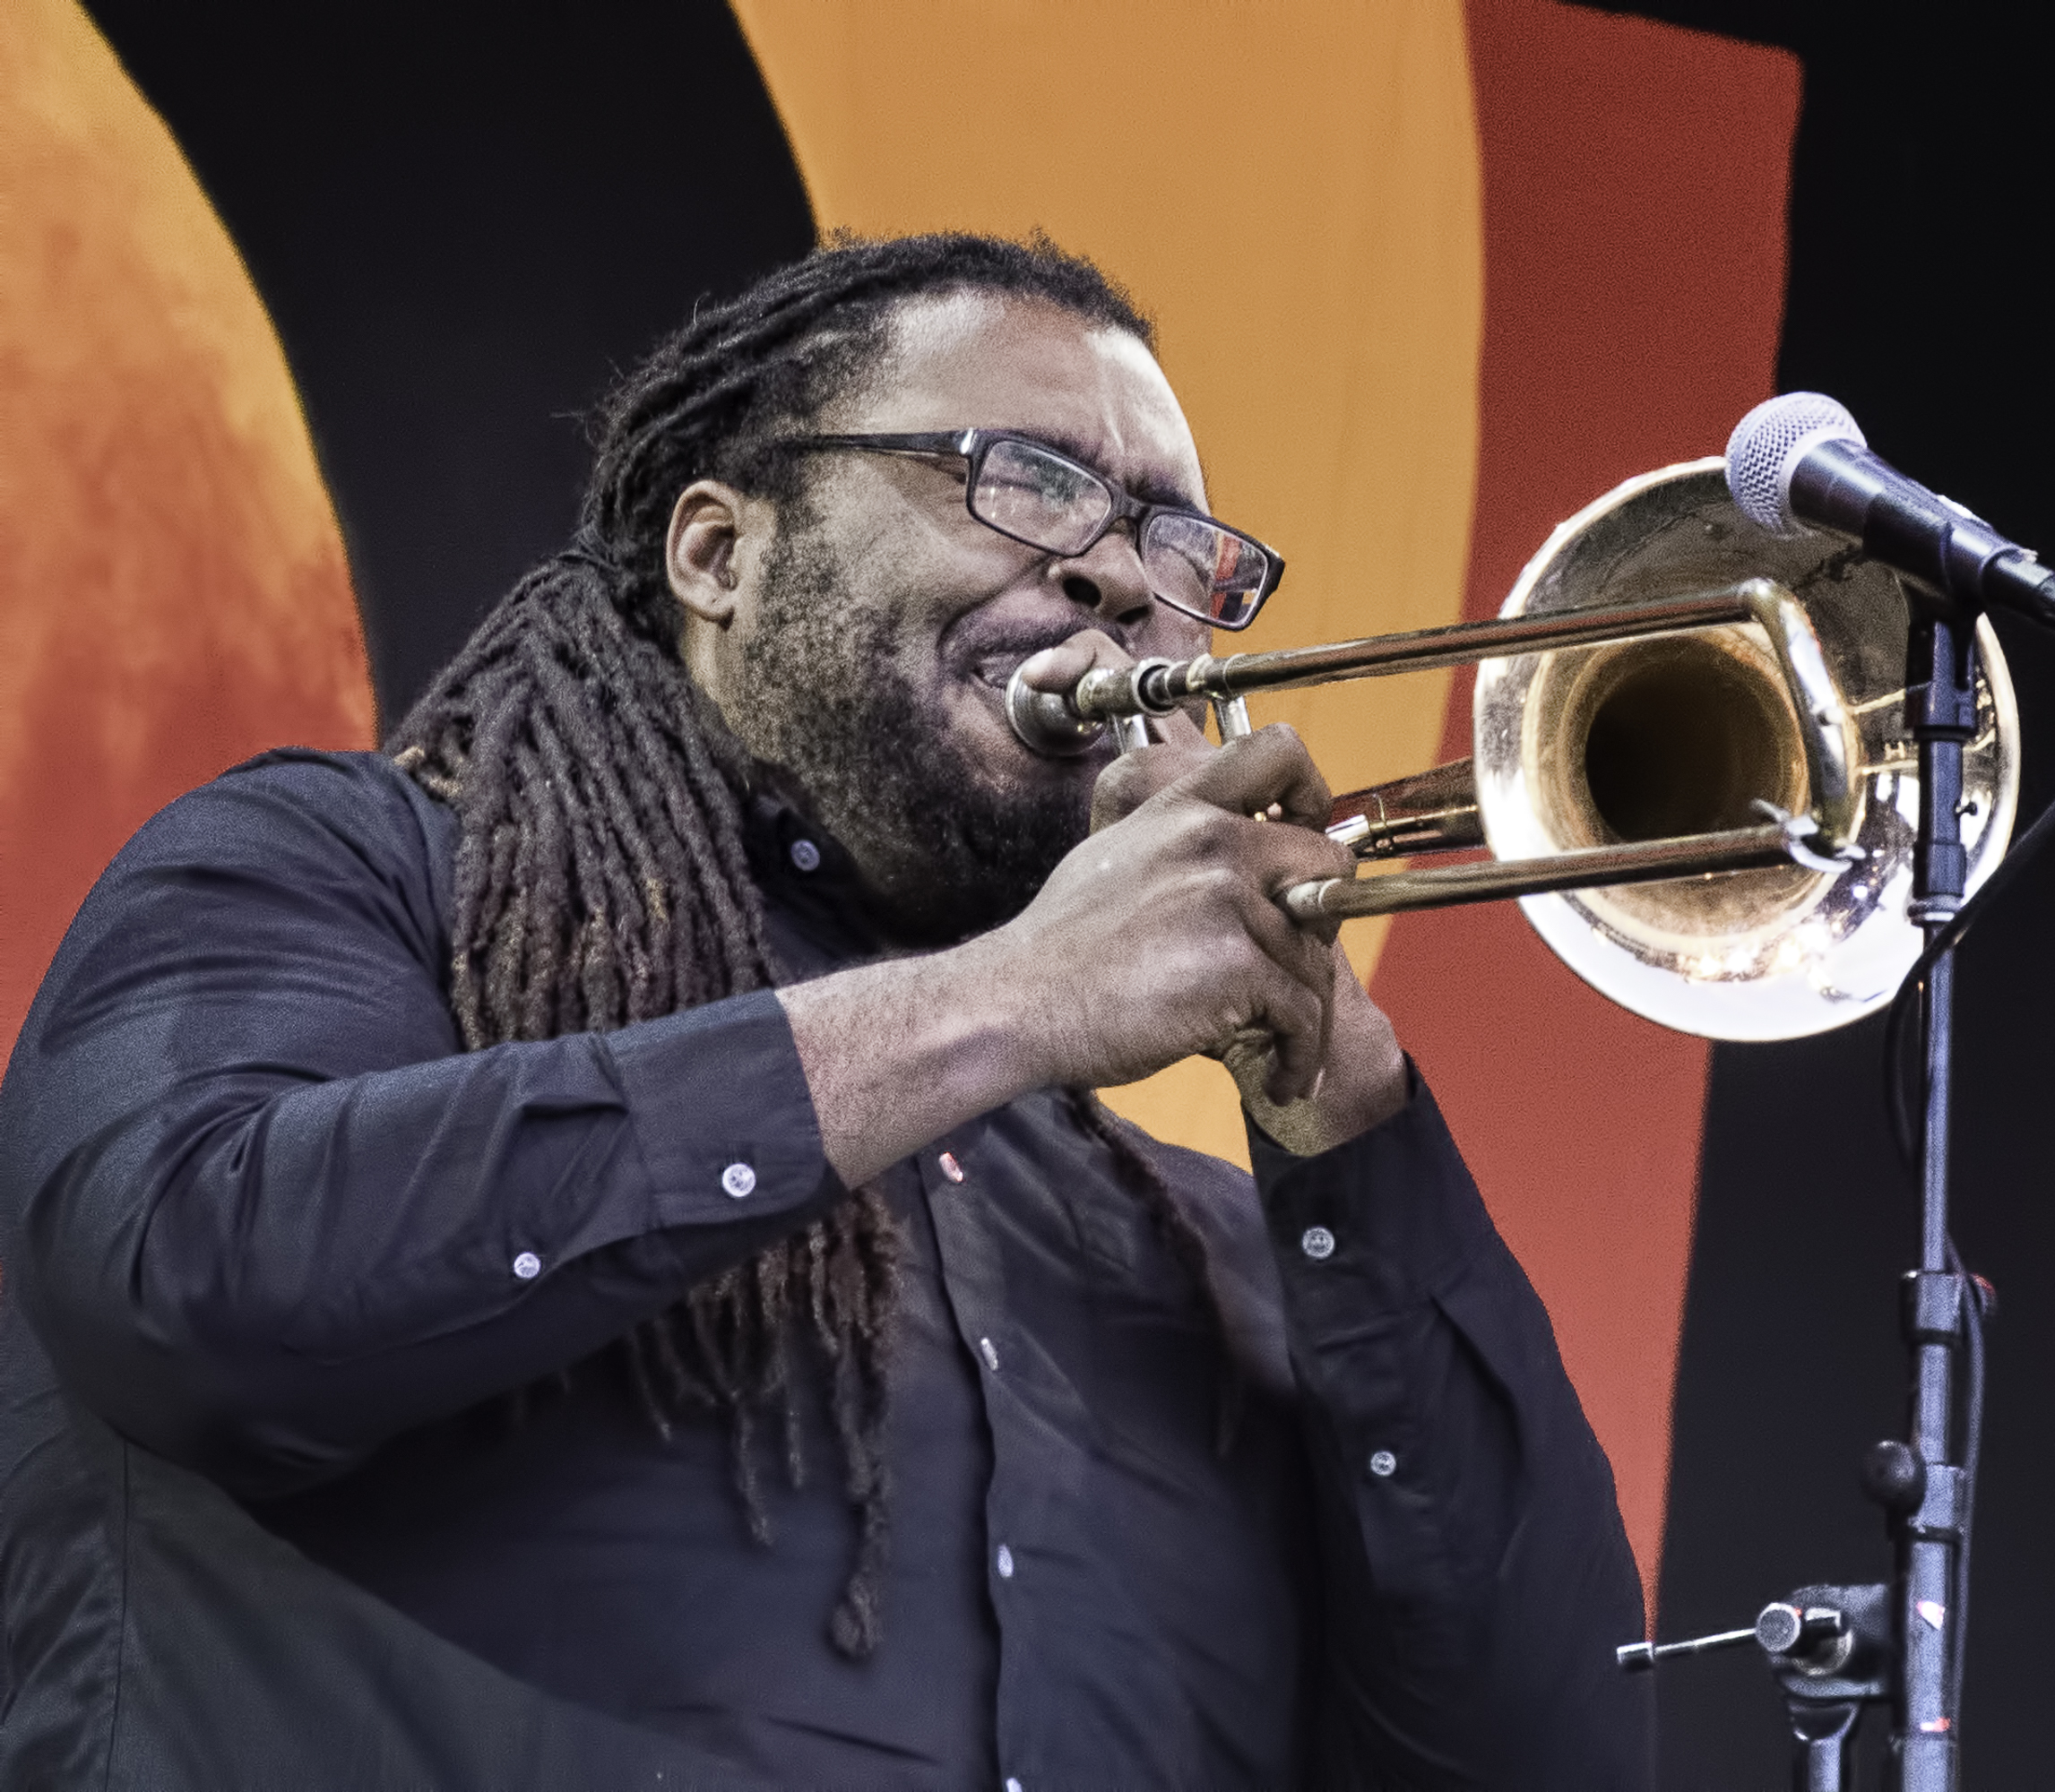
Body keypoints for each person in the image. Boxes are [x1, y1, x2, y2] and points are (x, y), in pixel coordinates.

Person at [0, 234, 1651, 1788]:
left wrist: (1349, 1132)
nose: (1121, 584)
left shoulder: (1191, 1247)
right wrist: (1003, 1000)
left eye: (1175, 546)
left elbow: (1549, 1747)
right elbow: (188, 1287)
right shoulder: (346, 873)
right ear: (720, 552)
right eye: (1033, 481)